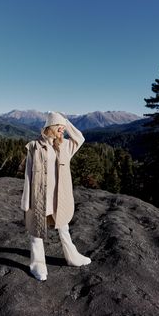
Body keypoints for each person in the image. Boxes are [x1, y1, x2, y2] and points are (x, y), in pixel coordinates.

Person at [21, 111, 91, 281]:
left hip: (59, 196)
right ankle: (37, 265)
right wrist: (26, 200)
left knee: (64, 226)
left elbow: (80, 138)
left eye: (63, 129)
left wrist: (64, 121)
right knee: (36, 230)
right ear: (50, 127)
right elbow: (28, 175)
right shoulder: (34, 146)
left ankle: (72, 257)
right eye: (59, 128)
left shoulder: (66, 146)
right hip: (39, 196)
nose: (62, 131)